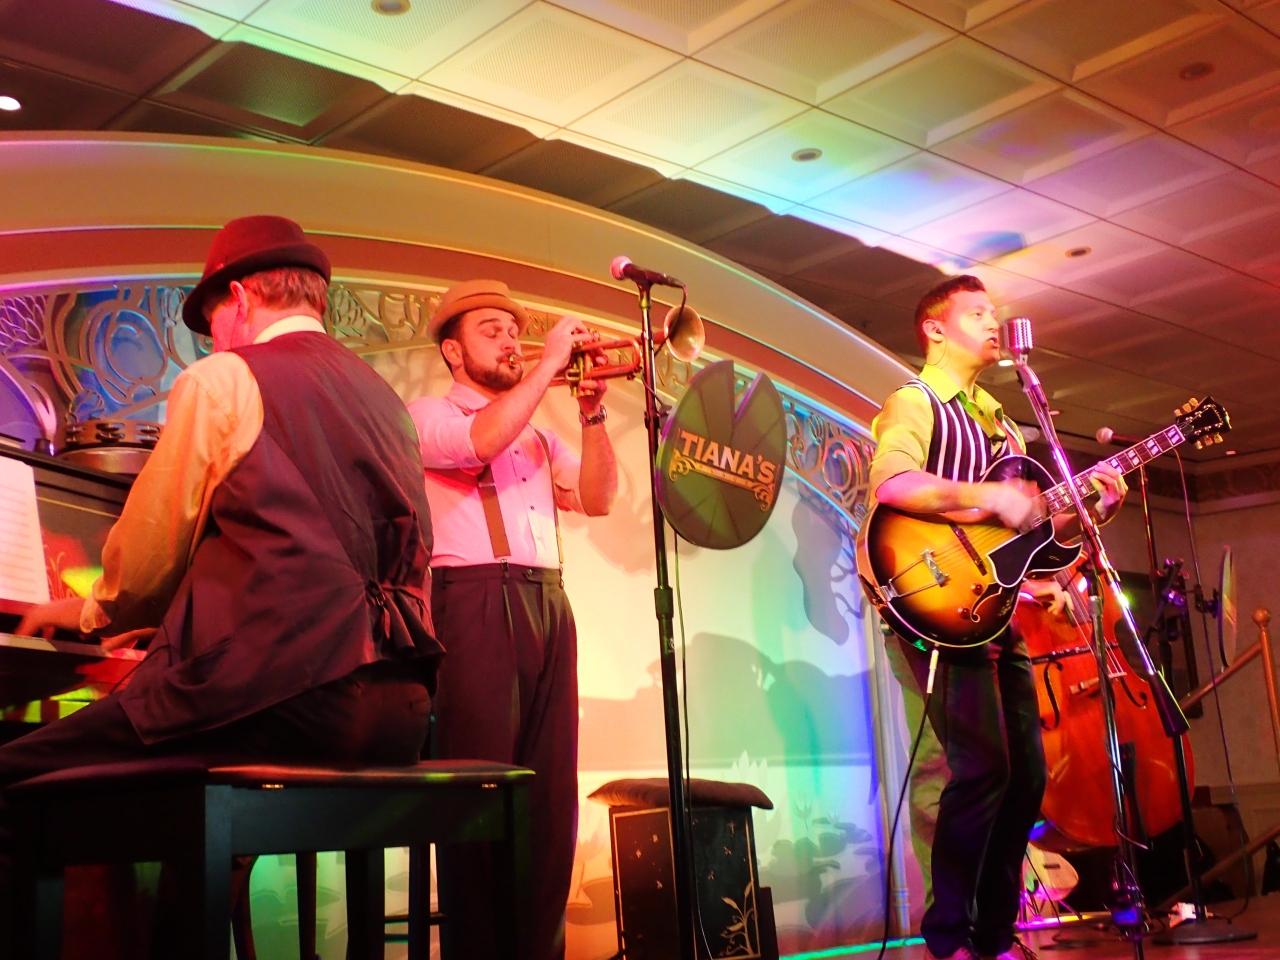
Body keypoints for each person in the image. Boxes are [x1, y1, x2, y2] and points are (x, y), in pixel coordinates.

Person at [0, 215, 442, 949]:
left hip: (286, 698)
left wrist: (86, 612)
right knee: (185, 807)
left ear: (237, 298)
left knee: (15, 773)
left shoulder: (225, 379)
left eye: (212, 328)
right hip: (397, 706)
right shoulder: (385, 400)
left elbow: (145, 565)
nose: (213, 344)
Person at [865, 274, 1126, 960]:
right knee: (979, 769)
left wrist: (1090, 512)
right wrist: (985, 498)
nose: (993, 322)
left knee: (1027, 777)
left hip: (996, 610)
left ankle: (992, 935)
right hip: (932, 601)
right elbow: (892, 483)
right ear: (935, 329)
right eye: (977, 312)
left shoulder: (1002, 425)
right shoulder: (915, 401)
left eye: (994, 312)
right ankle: (948, 936)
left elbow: (1031, 540)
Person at [407, 279, 617, 960]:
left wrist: (592, 416)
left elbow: (599, 498)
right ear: (453, 351)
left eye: (513, 330)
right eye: (490, 330)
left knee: (550, 797)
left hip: (547, 600)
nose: (509, 341)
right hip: (471, 602)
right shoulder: (428, 413)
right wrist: (552, 363)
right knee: (479, 791)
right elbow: (477, 444)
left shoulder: (536, 434)